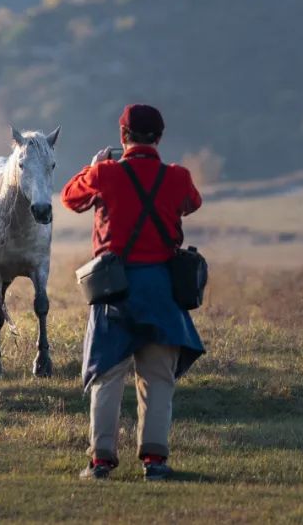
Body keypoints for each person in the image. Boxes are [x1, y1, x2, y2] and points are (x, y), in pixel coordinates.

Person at [61, 104, 206, 481]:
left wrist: (91, 166)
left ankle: (101, 462)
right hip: (162, 290)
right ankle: (155, 462)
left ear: (123, 136)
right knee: (158, 379)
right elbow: (192, 203)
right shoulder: (177, 176)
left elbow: (70, 198)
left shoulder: (105, 173)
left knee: (107, 377)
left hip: (115, 289)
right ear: (159, 138)